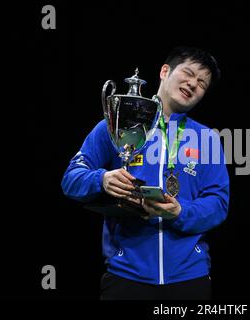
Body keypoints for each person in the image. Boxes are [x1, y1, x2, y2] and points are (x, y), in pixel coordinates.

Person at [61, 46, 229, 300]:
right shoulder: (119, 122)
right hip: (125, 275)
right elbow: (71, 178)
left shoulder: (206, 138)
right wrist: (102, 180)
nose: (193, 84)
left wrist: (180, 212)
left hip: (189, 278)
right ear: (165, 71)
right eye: (188, 73)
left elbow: (218, 204)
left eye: (202, 83)